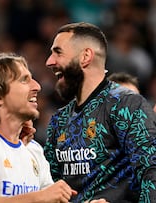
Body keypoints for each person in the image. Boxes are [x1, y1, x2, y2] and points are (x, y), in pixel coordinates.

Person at [44, 22, 156, 202]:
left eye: (58, 52)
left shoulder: (125, 105)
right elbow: (48, 186)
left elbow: (152, 173)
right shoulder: (59, 120)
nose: (49, 61)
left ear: (85, 56)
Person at [0, 52, 78, 203]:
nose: (37, 86)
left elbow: (51, 199)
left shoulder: (33, 149)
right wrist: (39, 197)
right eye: (24, 80)